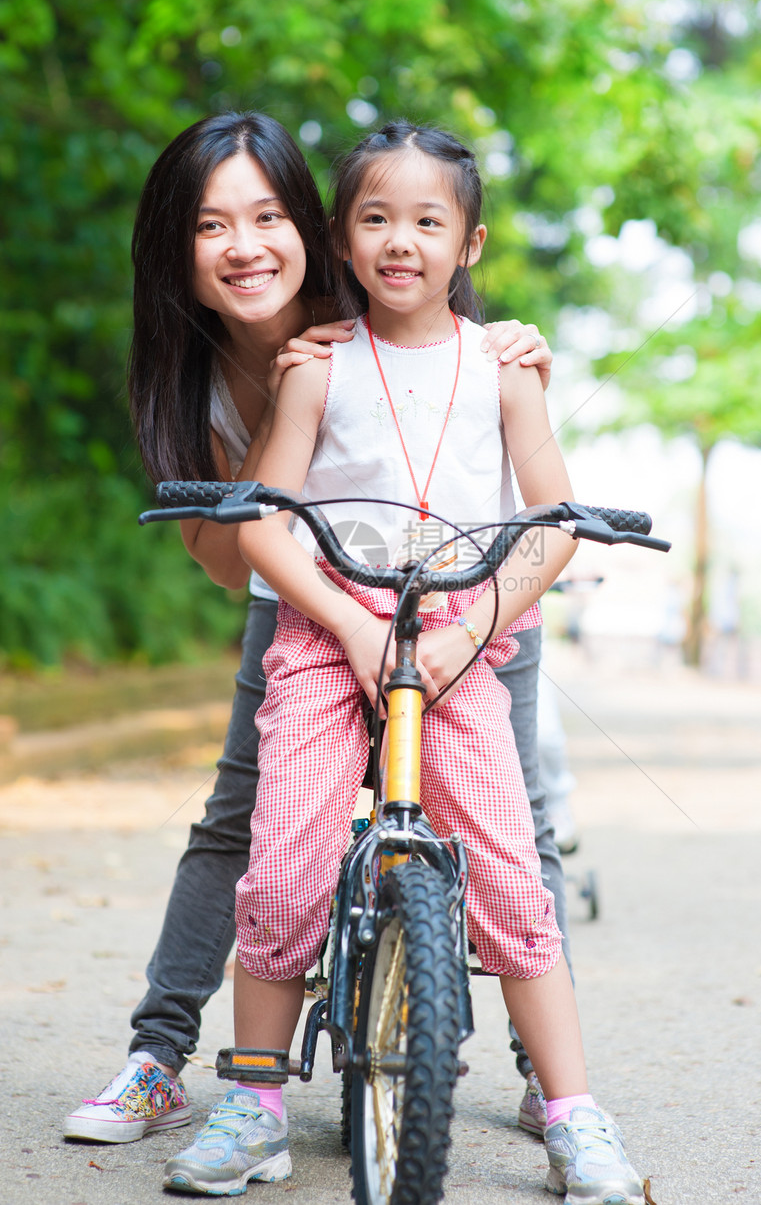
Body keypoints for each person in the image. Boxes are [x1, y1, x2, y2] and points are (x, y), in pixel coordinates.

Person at [63, 112, 570, 1146]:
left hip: (462, 599)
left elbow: (476, 393)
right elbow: (227, 552)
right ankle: (161, 1057)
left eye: (266, 216)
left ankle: (543, 1073)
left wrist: (516, 343)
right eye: (211, 225)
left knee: (511, 818)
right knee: (244, 818)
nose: (244, 245)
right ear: (177, 245)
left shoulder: (385, 291)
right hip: (301, 597)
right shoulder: (197, 372)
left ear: (312, 227)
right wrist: (288, 437)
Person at [162, 121, 645, 1203]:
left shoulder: (502, 367)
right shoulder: (318, 366)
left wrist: (474, 627)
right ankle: (250, 1103)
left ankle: (571, 1111)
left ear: (467, 246)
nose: (400, 241)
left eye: (428, 222)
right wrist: (344, 621)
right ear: (340, 237)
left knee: (512, 877)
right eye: (375, 218)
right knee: (281, 860)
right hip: (329, 629)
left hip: (463, 635)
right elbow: (266, 523)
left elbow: (550, 517)